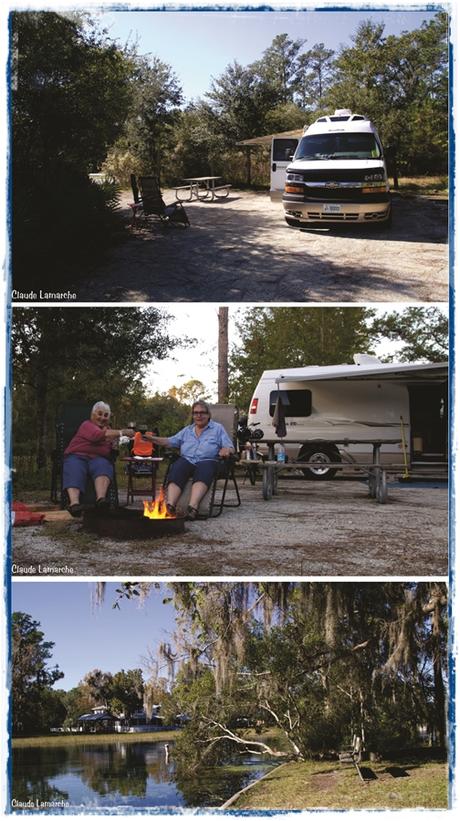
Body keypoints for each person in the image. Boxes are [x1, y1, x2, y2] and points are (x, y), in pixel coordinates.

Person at [148, 400, 234, 520]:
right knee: (178, 465)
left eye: (202, 413)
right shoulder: (187, 430)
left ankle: (192, 507)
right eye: (195, 413)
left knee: (204, 467)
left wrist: (226, 450)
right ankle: (170, 506)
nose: (199, 415)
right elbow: (169, 441)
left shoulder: (217, 429)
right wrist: (151, 439)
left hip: (208, 461)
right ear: (192, 415)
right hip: (188, 461)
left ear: (208, 414)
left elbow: (229, 446)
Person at [63, 402, 134, 517]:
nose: (102, 418)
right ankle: (74, 504)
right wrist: (122, 432)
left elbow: (111, 446)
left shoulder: (109, 431)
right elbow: (96, 436)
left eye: (106, 415)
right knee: (74, 467)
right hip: (77, 455)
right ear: (92, 414)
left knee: (103, 465)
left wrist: (114, 445)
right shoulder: (86, 425)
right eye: (99, 414)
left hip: (97, 458)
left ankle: (101, 500)